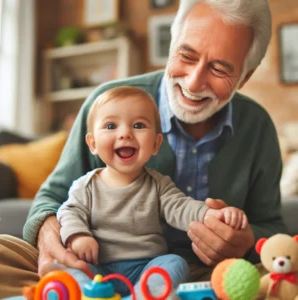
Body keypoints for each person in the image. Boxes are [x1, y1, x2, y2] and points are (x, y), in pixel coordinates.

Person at [0, 0, 287, 298]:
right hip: (95, 264)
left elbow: (273, 228)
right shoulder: (105, 105)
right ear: (172, 43)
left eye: (218, 68)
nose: (194, 81)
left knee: (282, 278)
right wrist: (57, 240)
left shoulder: (257, 126)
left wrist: (247, 239)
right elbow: (51, 201)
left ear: (245, 77)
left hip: (197, 272)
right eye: (186, 55)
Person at [55, 86, 248, 294]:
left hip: (147, 267)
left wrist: (212, 214)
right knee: (64, 266)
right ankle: (91, 294)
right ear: (92, 143)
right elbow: (69, 212)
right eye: (111, 126)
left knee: (175, 263)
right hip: (99, 269)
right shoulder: (85, 186)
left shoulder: (158, 185)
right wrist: (78, 237)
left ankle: (143, 295)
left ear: (156, 144)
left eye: (138, 125)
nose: (125, 134)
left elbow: (182, 207)